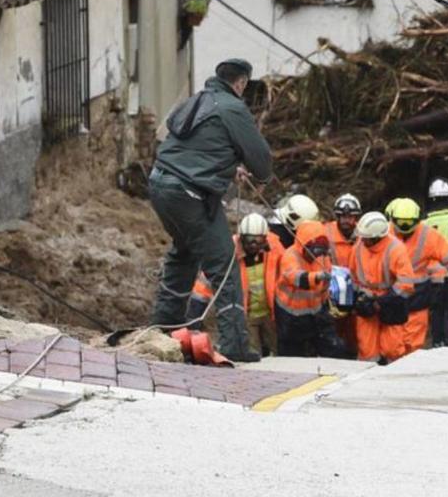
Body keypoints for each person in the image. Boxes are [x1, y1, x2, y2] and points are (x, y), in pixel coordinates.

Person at [148, 58, 272, 362]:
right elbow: (262, 162)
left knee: (185, 252)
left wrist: (228, 168)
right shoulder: (233, 107)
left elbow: (191, 148)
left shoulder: (195, 101)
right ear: (241, 83)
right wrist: (255, 170)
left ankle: (165, 327)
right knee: (225, 263)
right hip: (190, 193)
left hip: (159, 185)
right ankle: (235, 344)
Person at [187, 213, 279, 356]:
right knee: (254, 353)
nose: (253, 244)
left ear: (265, 239)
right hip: (245, 317)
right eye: (249, 240)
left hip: (269, 314)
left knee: (278, 352)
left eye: (258, 240)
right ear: (241, 238)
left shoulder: (274, 248)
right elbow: (204, 283)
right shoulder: (228, 253)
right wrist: (194, 315)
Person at [386, 197, 448, 352]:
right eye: (401, 222)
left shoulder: (428, 235)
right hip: (391, 296)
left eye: (409, 223)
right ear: (392, 219)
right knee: (391, 345)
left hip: (418, 297)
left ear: (417, 220)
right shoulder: (384, 233)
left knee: (413, 345)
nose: (404, 227)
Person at [349, 212, 417, 364]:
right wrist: (358, 299)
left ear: (377, 237)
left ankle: (394, 379)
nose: (362, 240)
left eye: (366, 237)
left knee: (392, 349)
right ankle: (366, 380)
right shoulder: (358, 247)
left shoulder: (396, 249)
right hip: (366, 302)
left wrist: (380, 302)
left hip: (391, 303)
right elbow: (353, 276)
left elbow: (406, 283)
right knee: (367, 350)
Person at [275, 221, 349, 357]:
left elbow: (326, 281)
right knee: (292, 356)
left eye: (320, 250)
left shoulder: (322, 257)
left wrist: (327, 304)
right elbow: (295, 277)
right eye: (314, 250)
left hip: (316, 313)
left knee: (334, 349)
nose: (316, 255)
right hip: (291, 317)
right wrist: (317, 277)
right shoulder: (290, 256)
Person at [326, 193, 362, 350]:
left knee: (357, 333)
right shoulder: (325, 233)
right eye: (342, 217)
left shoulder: (365, 235)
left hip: (357, 291)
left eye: (350, 217)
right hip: (333, 293)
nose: (346, 221)